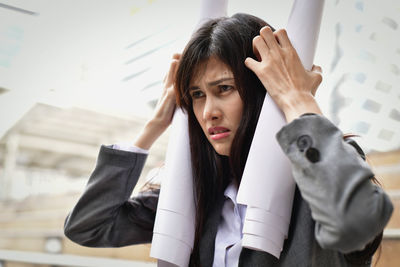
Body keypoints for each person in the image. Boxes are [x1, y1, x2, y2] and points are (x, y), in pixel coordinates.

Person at [64, 13, 393, 267]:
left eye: (224, 89)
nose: (208, 112)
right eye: (196, 95)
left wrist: (296, 98)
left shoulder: (321, 175)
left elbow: (356, 222)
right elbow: (88, 226)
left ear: (262, 90)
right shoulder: (197, 190)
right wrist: (157, 122)